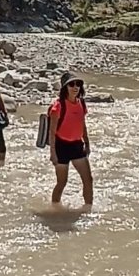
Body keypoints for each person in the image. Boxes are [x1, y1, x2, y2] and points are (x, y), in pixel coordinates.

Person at [47, 74, 93, 207]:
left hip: (77, 146)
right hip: (61, 147)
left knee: (88, 180)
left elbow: (82, 124)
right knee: (62, 182)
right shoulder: (58, 106)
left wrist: (87, 143)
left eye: (78, 84)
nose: (75, 87)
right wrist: (53, 154)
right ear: (65, 88)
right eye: (71, 84)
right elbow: (52, 132)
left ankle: (88, 209)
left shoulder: (81, 103)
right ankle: (55, 208)